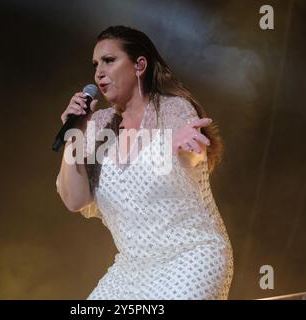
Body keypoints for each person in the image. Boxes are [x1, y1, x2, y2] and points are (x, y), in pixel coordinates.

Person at [56, 25, 233, 300]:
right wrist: (73, 134)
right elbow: (74, 199)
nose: (98, 73)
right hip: (131, 270)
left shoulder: (173, 109)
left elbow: (193, 155)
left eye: (109, 61)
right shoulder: (98, 127)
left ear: (139, 65)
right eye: (95, 65)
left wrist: (177, 148)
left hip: (191, 256)